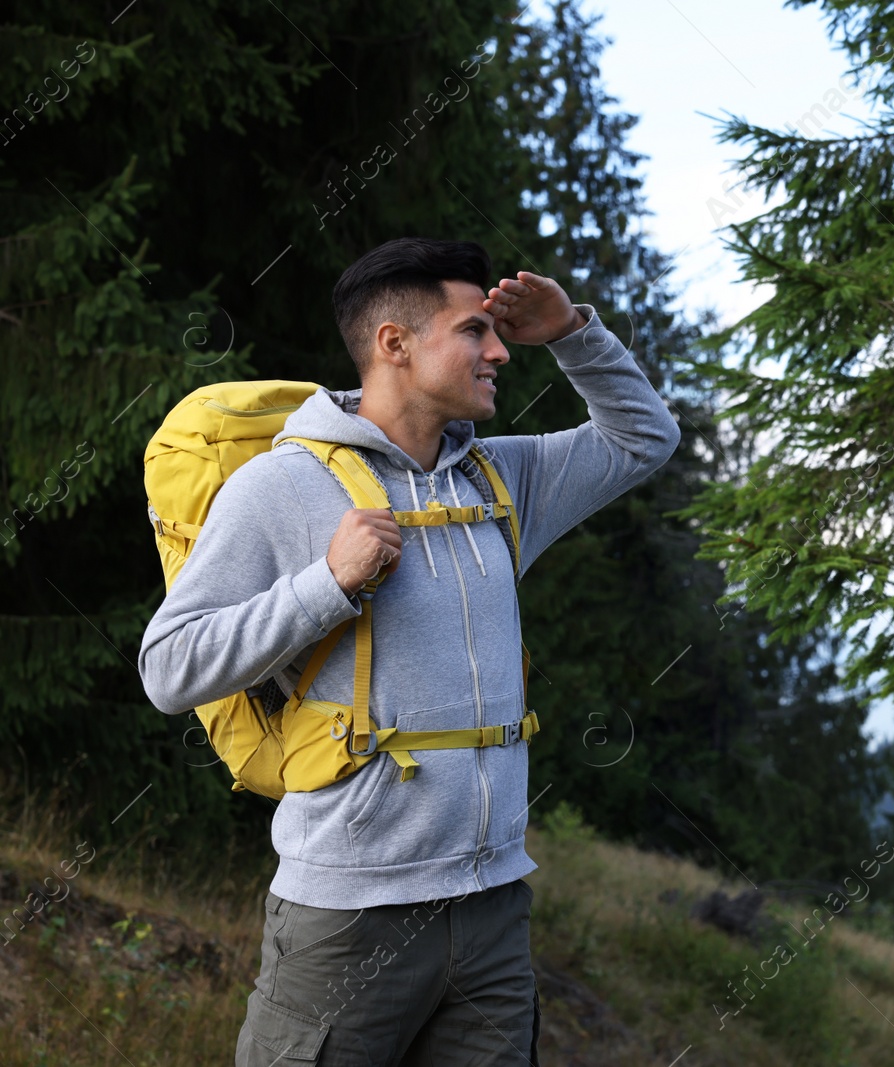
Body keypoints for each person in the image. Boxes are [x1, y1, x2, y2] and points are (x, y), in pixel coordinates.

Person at [138, 237, 680, 1065]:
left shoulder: (500, 481)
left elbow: (644, 439)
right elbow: (171, 668)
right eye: (474, 332)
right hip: (349, 916)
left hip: (495, 908)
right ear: (394, 343)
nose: (499, 350)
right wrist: (326, 583)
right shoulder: (280, 487)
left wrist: (571, 329)